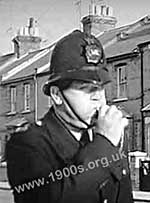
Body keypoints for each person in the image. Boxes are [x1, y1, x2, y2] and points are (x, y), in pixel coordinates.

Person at [6, 30, 133, 203]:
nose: (98, 97)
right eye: (86, 89)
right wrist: (103, 144)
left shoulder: (111, 138)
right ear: (57, 95)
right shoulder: (27, 144)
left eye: (100, 88)